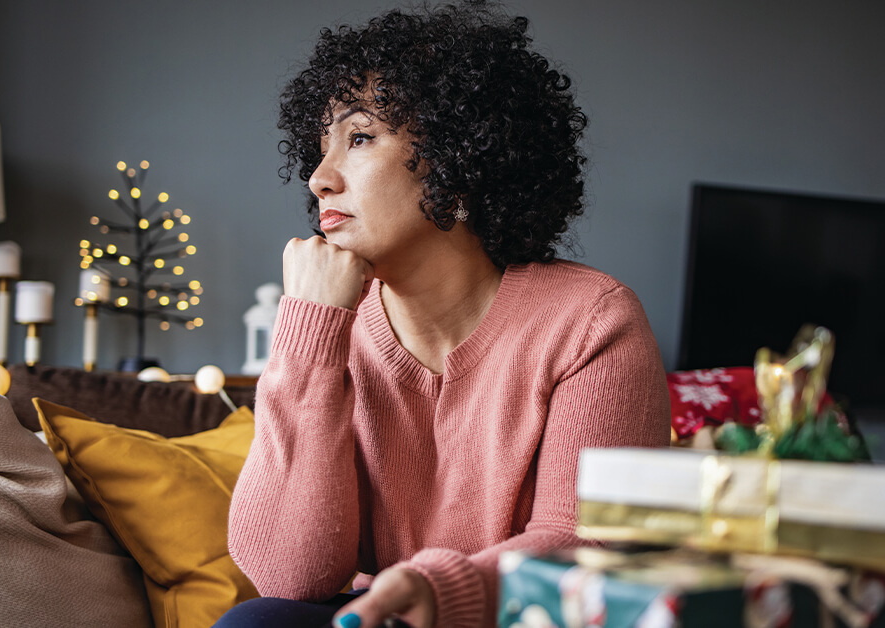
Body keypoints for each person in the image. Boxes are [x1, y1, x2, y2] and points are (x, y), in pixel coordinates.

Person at [219, 2, 671, 627]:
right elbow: (292, 576)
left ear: (458, 162)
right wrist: (308, 332)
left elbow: (586, 541)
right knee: (257, 622)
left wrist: (438, 590)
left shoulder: (591, 320)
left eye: (359, 138)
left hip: (525, 616)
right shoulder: (330, 324)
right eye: (321, 148)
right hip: (381, 615)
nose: (320, 178)